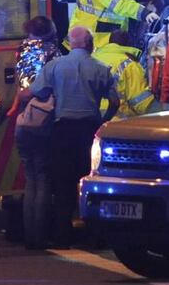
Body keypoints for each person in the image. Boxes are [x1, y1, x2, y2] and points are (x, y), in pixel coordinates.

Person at [29, 27, 119, 247]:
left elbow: (38, 92)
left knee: (63, 184)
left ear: (69, 44)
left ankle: (62, 236)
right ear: (90, 44)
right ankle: (93, 236)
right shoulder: (102, 69)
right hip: (89, 131)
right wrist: (103, 121)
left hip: (62, 131)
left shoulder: (54, 66)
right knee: (90, 183)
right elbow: (115, 102)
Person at [6, 16, 60, 250]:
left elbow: (22, 87)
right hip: (44, 118)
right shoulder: (53, 53)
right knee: (44, 178)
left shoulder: (21, 50)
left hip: (24, 121)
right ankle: (40, 234)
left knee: (30, 180)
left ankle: (29, 233)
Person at [92, 30, 156, 118]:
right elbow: (142, 103)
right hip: (115, 122)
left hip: (87, 120)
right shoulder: (129, 65)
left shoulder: (92, 58)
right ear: (129, 44)